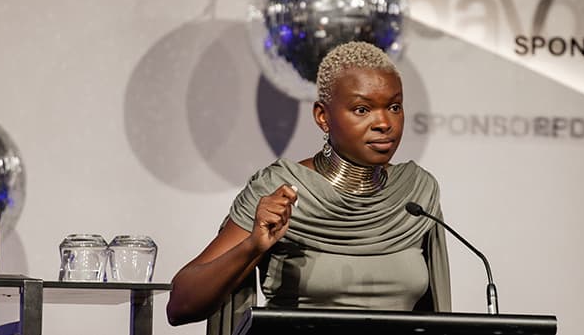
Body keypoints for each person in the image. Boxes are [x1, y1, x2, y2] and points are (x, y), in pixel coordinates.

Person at [166, 41, 451, 327]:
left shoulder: (417, 194)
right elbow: (181, 305)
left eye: (394, 106)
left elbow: (432, 318)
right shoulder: (279, 189)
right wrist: (252, 246)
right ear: (322, 117)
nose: (384, 123)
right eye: (362, 109)